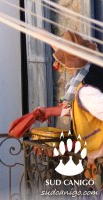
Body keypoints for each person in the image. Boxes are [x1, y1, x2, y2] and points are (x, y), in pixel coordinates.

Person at [37, 31, 103, 164]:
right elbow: (83, 110)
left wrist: (99, 152)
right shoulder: (89, 73)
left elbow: (86, 102)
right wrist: (49, 111)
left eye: (60, 58)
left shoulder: (86, 90)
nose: (57, 62)